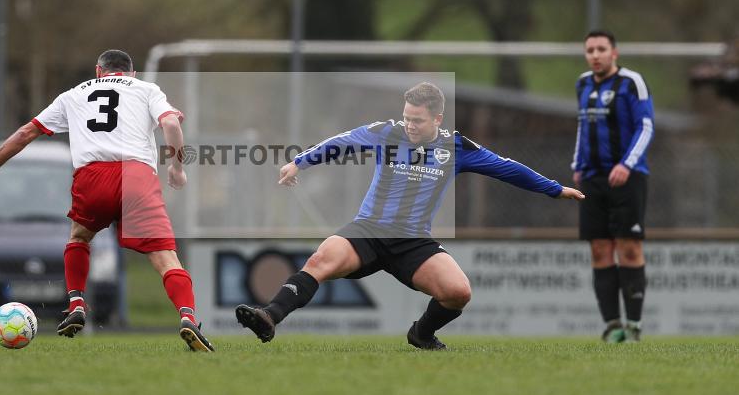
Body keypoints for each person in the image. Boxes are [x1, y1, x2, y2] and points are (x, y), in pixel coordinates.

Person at [235, 82, 584, 349]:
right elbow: (342, 142)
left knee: (458, 292)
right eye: (407, 118)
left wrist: (554, 189)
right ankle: (269, 316)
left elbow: (507, 168)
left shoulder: (456, 147)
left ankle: (421, 334)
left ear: (437, 119)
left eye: (417, 120)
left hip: (412, 241)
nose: (410, 125)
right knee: (320, 259)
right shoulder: (387, 133)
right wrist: (299, 162)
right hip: (369, 230)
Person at [0, 49, 213, 352]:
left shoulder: (73, 95)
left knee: (80, 237)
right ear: (132, 74)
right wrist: (177, 167)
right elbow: (172, 124)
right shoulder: (146, 89)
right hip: (136, 176)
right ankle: (187, 317)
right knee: (165, 257)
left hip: (91, 177)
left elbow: (26, 132)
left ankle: (76, 304)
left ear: (98, 71)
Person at [572, 30, 654, 343]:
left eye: (601, 49)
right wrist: (577, 165)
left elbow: (645, 126)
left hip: (627, 177)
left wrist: (626, 164)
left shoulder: (631, 82)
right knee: (599, 249)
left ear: (614, 53)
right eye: (590, 50)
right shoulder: (582, 83)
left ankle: (634, 325)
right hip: (591, 178)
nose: (595, 55)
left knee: (629, 248)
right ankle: (612, 325)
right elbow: (582, 126)